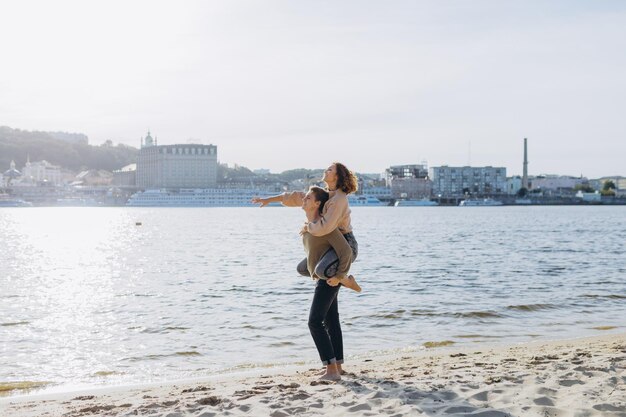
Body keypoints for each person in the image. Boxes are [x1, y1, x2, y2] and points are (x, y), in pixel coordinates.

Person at [252, 162, 359, 283]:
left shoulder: (339, 199)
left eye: (329, 170)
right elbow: (296, 197)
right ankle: (341, 281)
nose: (325, 171)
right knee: (304, 269)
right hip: (329, 243)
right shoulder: (324, 194)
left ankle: (343, 279)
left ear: (337, 176)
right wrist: (269, 200)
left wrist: (307, 227)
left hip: (345, 244)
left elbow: (325, 227)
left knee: (321, 271)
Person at [301, 186, 353, 380]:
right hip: (323, 276)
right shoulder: (311, 225)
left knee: (314, 321)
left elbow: (346, 252)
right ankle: (336, 366)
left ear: (317, 203)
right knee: (331, 320)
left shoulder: (326, 227)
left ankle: (331, 370)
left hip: (330, 278)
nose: (304, 199)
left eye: (308, 197)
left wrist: (339, 276)